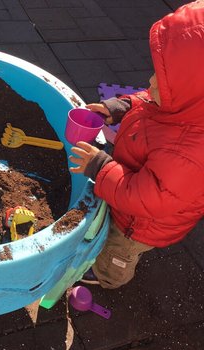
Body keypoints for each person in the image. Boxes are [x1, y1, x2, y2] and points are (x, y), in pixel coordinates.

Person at [69, 0, 204, 289]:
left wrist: (100, 165)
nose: (151, 81)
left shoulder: (192, 155)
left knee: (118, 250)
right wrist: (121, 105)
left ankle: (107, 277)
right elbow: (151, 99)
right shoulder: (185, 105)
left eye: (163, 82)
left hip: (139, 223)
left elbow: (148, 198)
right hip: (127, 186)